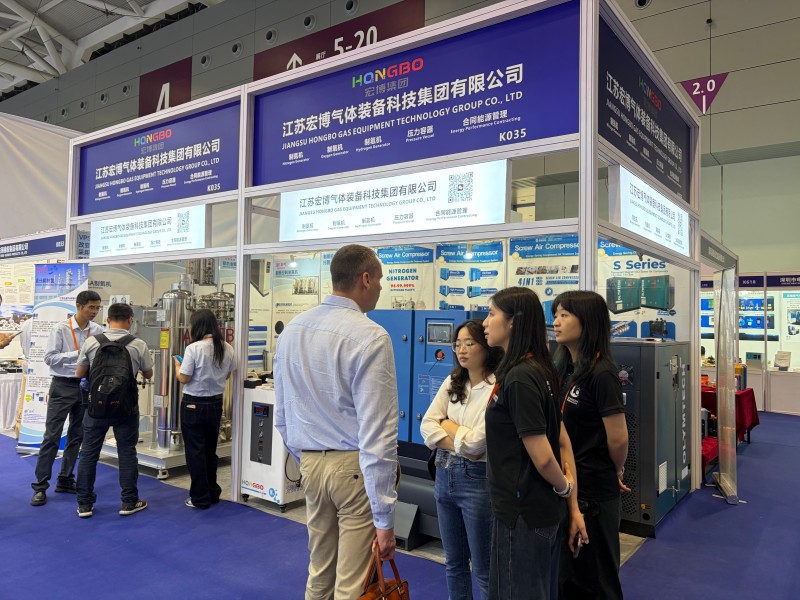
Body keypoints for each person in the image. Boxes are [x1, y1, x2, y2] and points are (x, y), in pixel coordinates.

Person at [274, 244, 399, 600]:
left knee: (320, 571)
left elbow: (282, 416)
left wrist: (308, 459)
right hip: (353, 468)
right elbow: (378, 434)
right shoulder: (371, 336)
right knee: (351, 585)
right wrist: (385, 518)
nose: (380, 288)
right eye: (380, 280)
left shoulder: (293, 330)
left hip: (311, 464)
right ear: (365, 279)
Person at [482, 287, 581, 600]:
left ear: (512, 321)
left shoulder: (520, 377)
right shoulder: (539, 369)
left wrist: (564, 488)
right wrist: (568, 498)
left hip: (523, 513)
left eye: (491, 314)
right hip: (531, 510)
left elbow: (544, 456)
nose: (485, 322)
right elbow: (560, 439)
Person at [551, 291, 628, 600]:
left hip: (593, 490)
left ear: (588, 322)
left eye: (564, 315)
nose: (556, 322)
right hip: (567, 485)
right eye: (555, 315)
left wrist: (616, 469)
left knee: (597, 580)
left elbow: (618, 438)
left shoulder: (602, 373)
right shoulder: (564, 368)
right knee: (570, 578)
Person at [420, 319, 502, 600]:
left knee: (484, 568)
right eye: (457, 344)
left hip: (477, 481)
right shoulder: (454, 381)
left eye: (470, 343)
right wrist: (458, 438)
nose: (462, 350)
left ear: (486, 347)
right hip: (444, 476)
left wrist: (447, 425)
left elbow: (479, 444)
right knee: (454, 564)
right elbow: (427, 425)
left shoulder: (496, 386)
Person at [75, 302, 153, 518]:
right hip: (126, 407)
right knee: (126, 452)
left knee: (89, 453)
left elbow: (79, 373)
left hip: (96, 406)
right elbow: (148, 374)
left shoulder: (92, 341)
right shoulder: (138, 344)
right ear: (130, 320)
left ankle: (84, 504)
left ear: (107, 320)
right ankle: (129, 502)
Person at [30, 290, 103, 506]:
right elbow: (49, 358)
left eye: (97, 308)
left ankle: (65, 478)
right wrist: (79, 353)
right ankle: (40, 486)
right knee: (52, 436)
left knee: (77, 435)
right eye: (91, 307)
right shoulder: (61, 329)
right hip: (62, 385)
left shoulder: (97, 331)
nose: (94, 312)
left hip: (85, 386)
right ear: (79, 306)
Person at [173, 309, 236, 509]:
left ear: (197, 327)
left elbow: (184, 378)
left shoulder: (194, 348)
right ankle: (212, 492)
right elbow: (228, 375)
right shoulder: (227, 347)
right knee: (210, 450)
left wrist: (177, 367)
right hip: (216, 404)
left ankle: (199, 497)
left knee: (195, 452)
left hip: (193, 403)